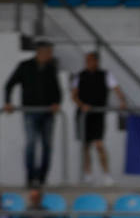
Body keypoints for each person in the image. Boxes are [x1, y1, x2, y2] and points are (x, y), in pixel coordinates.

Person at [3, 40, 62, 186]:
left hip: (47, 112)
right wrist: (8, 102)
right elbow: (9, 84)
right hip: (30, 111)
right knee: (31, 144)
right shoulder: (25, 66)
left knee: (47, 145)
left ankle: (42, 178)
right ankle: (30, 177)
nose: (50, 55)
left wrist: (56, 103)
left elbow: (57, 90)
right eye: (49, 52)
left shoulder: (50, 68)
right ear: (41, 52)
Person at [70, 51, 127, 185]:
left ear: (96, 61)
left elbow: (116, 89)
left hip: (98, 114)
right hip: (83, 114)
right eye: (86, 61)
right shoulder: (80, 75)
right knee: (85, 145)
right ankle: (87, 173)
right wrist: (82, 105)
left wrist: (122, 101)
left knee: (99, 144)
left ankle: (106, 173)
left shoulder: (105, 75)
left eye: (91, 60)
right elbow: (74, 95)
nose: (88, 63)